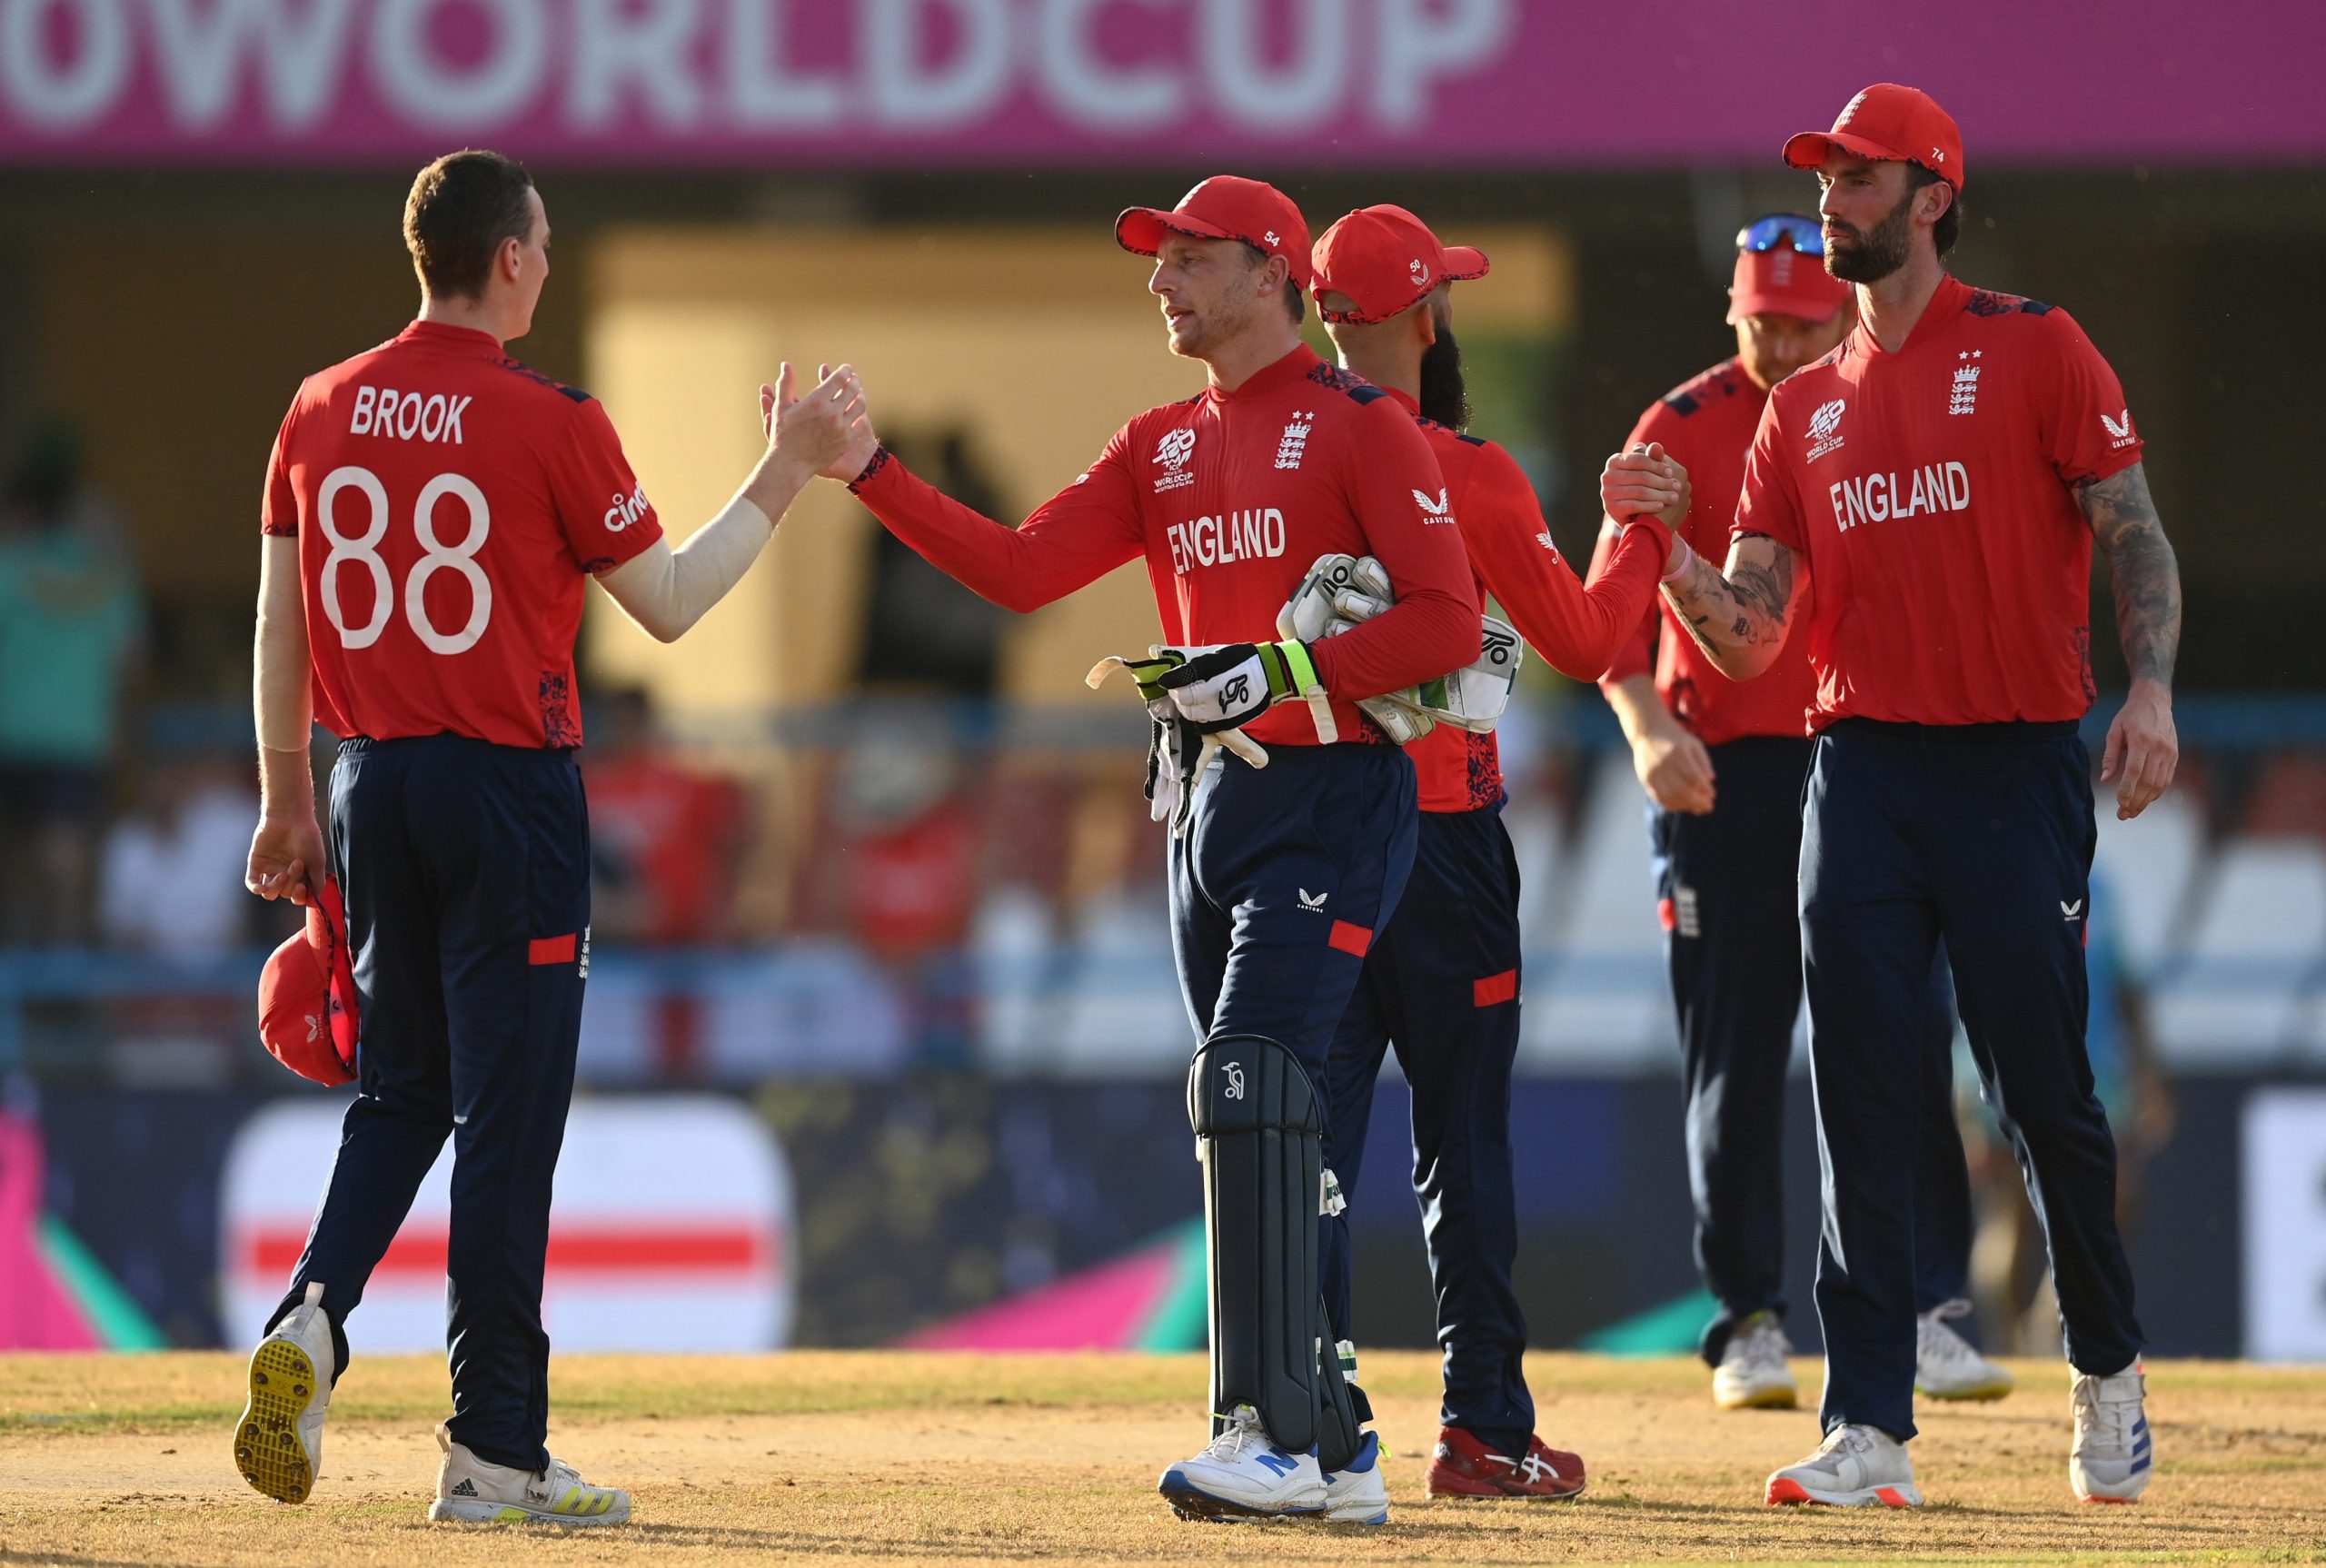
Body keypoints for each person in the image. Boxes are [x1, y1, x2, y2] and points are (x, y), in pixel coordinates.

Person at [830, 176, 1657, 1525]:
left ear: (1276, 275)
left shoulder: (1364, 430)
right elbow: (1025, 569)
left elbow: (1450, 627)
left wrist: (1266, 673)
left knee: (1265, 1089)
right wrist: (863, 469)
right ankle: (1335, 1436)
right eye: (1159, 262)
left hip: (1339, 798)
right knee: (1260, 1114)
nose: (1159, 282)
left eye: (1188, 261)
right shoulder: (1160, 440)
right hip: (1213, 807)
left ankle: (1277, 1430)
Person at [238, 148, 869, 1524]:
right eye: (544, 243)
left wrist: (288, 792)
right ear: (511, 258)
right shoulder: (552, 421)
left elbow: (282, 620)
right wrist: (788, 466)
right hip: (510, 790)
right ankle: (494, 1451)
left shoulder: (318, 403)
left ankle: (312, 1320)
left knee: (399, 1091)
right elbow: (674, 602)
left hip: (371, 781)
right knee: (507, 1124)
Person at [1605, 83, 2181, 1508]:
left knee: (2044, 1094)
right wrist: (1668, 549)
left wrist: (2153, 690)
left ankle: (2107, 1369)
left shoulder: (2037, 346)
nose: (1831, 200)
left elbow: (2134, 532)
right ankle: (1871, 1424)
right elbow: (1752, 628)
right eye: (1823, 178)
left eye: (1860, 179)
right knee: (1860, 1093)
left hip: (2014, 763)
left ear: (1934, 196)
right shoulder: (1795, 411)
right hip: (1856, 766)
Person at [1587, 215, 2010, 1412]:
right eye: (1760, 319)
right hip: (1721, 769)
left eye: (1801, 319)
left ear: (1841, 310)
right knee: (1737, 1046)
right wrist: (1647, 728)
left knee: (1900, 1033)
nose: (1779, 340)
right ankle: (1748, 1321)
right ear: (1734, 314)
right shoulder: (1675, 428)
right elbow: (1604, 616)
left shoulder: (1877, 407)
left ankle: (1923, 1304)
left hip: (1859, 756)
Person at [1305, 203, 1673, 1502]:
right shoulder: (1472, 472)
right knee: (1463, 1143)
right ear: (1426, 319)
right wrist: (1638, 533)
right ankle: (1481, 1425)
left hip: (1315, 835)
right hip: (1447, 838)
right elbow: (1581, 641)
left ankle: (1310, 1419)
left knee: (1314, 1143)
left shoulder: (1274, 463)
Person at [0, 421, 144, 947]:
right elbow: (131, 666)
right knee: (69, 853)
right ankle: (64, 962)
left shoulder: (9, 568)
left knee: (14, 856)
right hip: (82, 739)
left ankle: (16, 962)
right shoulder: (109, 580)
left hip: (10, 735)